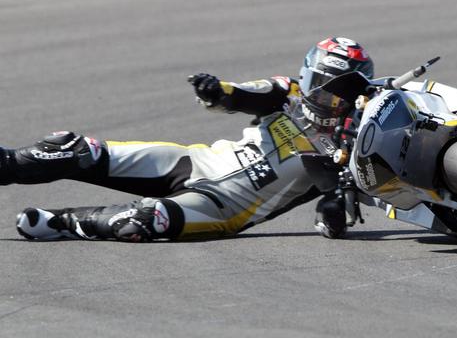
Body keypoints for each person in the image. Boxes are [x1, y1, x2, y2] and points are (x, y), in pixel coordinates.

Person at [0, 37, 374, 242]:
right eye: (324, 86)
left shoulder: (358, 139)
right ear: (307, 78)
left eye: (342, 91)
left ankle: (58, 223)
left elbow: (338, 206)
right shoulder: (286, 92)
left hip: (223, 207)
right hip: (194, 162)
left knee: (148, 218)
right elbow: (241, 94)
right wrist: (216, 91)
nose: (331, 99)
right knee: (72, 149)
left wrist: (334, 210)